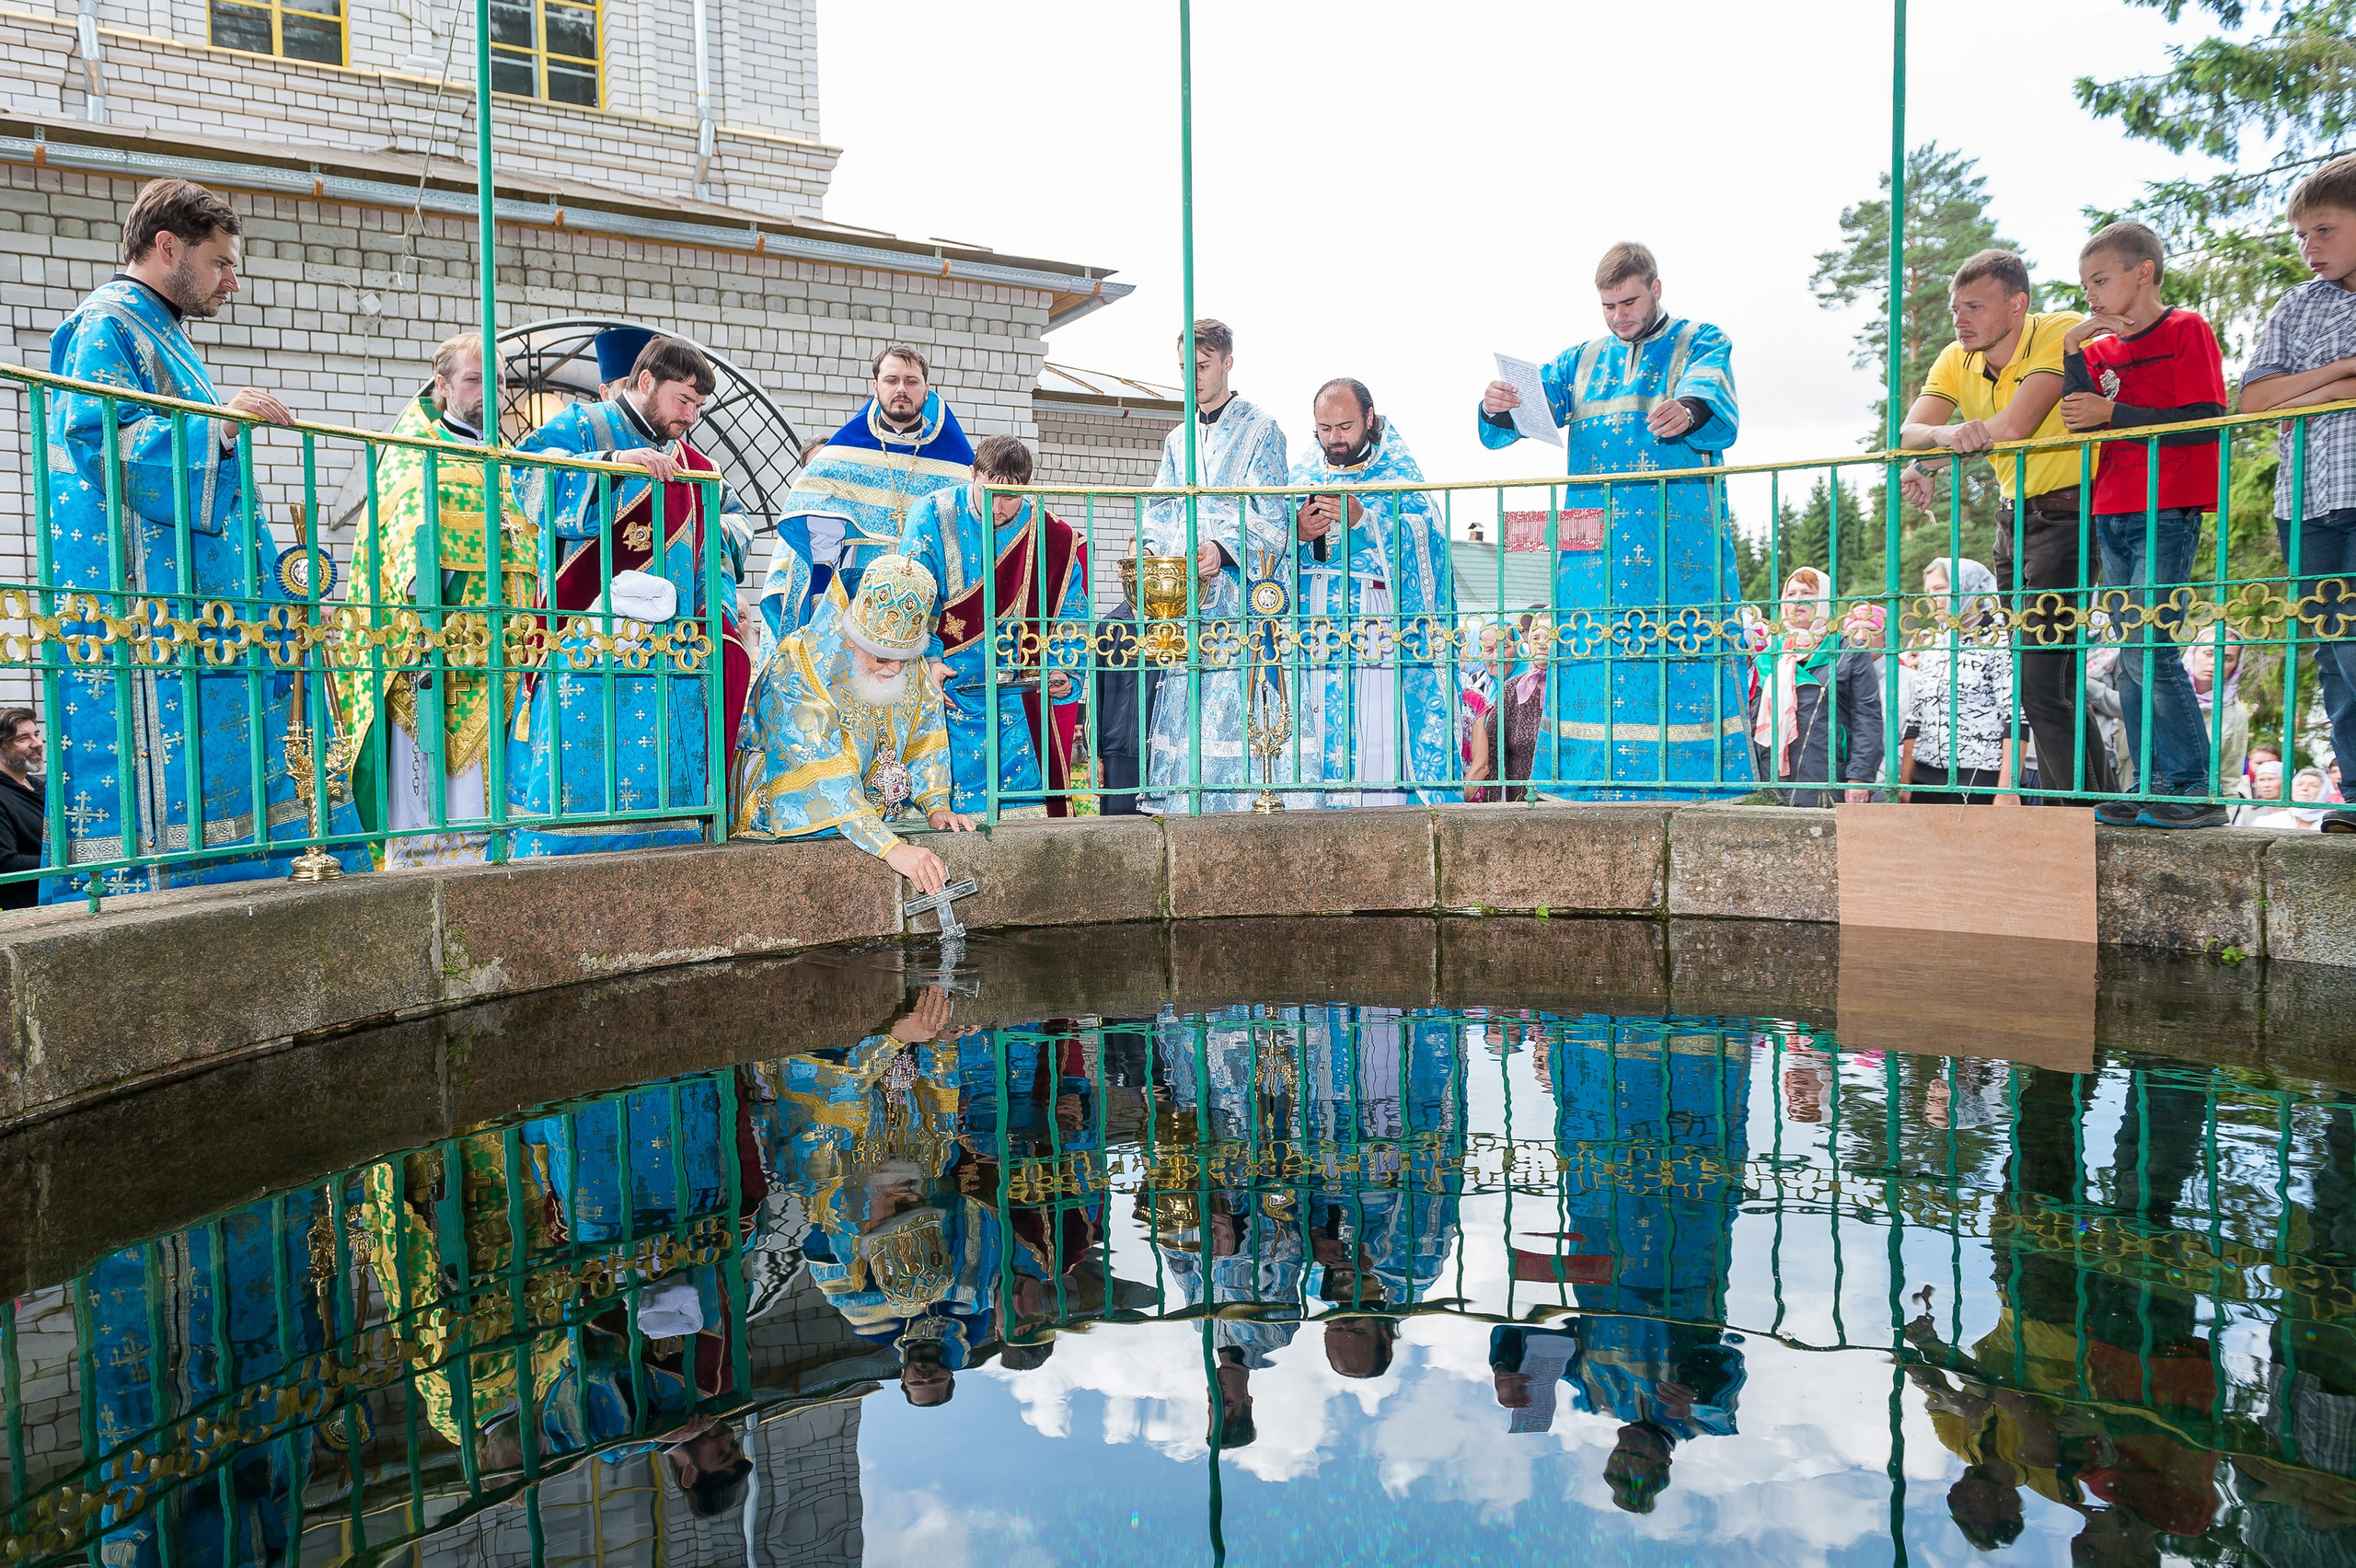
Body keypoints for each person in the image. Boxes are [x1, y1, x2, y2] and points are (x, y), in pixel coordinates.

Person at [44, 177, 366, 901]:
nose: (232, 281)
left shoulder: (157, 329)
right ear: (167, 247)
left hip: (203, 608)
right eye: (220, 262)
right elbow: (97, 438)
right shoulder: (107, 323)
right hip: (155, 613)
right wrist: (218, 425)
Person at [1477, 242, 1751, 799]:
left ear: (1656, 288)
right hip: (1594, 550)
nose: (1619, 316)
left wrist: (1690, 410)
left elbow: (1710, 398)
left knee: (1676, 650)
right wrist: (1496, 405)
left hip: (1674, 541)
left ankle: (1689, 787)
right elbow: (1528, 412)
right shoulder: (1580, 360)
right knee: (1592, 659)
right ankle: (1587, 785)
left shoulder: (1698, 340)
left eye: (1629, 302)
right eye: (1608, 306)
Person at [506, 336, 755, 856]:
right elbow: (527, 473)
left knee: (662, 772)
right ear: (646, 382)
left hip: (670, 649)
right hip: (587, 642)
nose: (690, 416)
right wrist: (614, 462)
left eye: (698, 406)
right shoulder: (586, 425)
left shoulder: (695, 463)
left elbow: (731, 526)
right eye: (682, 401)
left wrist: (716, 564)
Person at [1900, 248, 2113, 804]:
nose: (1960, 319)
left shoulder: (2058, 330)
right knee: (2039, 677)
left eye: (1974, 307)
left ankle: (2082, 810)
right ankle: (2094, 806)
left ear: (2018, 304)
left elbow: (2016, 425)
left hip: (2072, 513)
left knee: (2045, 678)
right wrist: (1943, 442)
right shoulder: (1955, 357)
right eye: (1955, 309)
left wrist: (1938, 449)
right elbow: (1910, 432)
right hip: (2014, 519)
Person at [330, 332, 539, 868]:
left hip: (509, 652)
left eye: (498, 381)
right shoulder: (414, 453)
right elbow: (404, 538)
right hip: (438, 651)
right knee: (437, 793)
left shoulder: (512, 463)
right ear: (443, 387)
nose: (490, 392)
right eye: (474, 380)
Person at [2059, 222, 2232, 828]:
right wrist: (2072, 350)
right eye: (2085, 285)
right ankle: (2151, 781)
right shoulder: (2099, 349)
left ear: (2144, 272)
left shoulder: (2186, 328)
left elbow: (2205, 417)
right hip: (2111, 505)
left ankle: (2193, 786)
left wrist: (2115, 411)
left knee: (2150, 645)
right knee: (2128, 653)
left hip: (2168, 502)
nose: (2091, 295)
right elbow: (2078, 417)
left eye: (2100, 280)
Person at [729, 553, 976, 892]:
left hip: (871, 809)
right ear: (851, 638)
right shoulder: (798, 661)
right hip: (785, 805)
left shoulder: (907, 660)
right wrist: (890, 848)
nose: (895, 669)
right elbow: (819, 767)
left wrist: (936, 806)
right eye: (884, 657)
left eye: (905, 657)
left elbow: (925, 731)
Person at [2240, 153, 2356, 834]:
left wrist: (2303, 392)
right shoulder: (2299, 305)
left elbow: (2280, 395)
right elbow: (2254, 399)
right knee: (2334, 651)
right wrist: (2342, 375)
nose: (2311, 247)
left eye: (2325, 230)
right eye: (2302, 235)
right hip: (2307, 502)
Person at [1141, 319, 1293, 813]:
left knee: (1235, 708)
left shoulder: (1262, 430)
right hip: (1188, 601)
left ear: (1228, 363)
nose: (1193, 378)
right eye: (1185, 368)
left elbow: (1273, 515)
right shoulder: (1177, 438)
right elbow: (1160, 508)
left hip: (1239, 601)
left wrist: (1223, 549)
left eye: (1203, 366)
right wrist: (1151, 550)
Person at [895, 434, 1089, 817]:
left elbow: (1071, 614)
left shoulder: (1051, 535)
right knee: (945, 814)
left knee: (1021, 819)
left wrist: (1064, 669)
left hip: (1017, 701)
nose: (998, 508)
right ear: (973, 473)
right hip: (946, 691)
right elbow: (911, 597)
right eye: (990, 492)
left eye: (1010, 497)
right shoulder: (931, 515)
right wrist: (928, 662)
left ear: (1027, 488)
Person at [1288, 378, 1459, 805]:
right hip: (1310, 628)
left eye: (1345, 427)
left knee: (1373, 733)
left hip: (1373, 625)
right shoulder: (1301, 475)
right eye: (1324, 428)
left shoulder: (1398, 472)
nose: (1335, 438)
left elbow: (1428, 540)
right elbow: (1267, 539)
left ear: (1369, 418)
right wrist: (1297, 531)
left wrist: (1365, 521)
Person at [760, 345, 975, 645]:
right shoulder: (843, 453)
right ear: (875, 387)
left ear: (927, 389)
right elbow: (822, 541)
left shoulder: (955, 464)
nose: (901, 389)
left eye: (911, 381)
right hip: (858, 601)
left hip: (928, 603)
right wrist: (820, 603)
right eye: (891, 380)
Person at [1750, 567, 1884, 806]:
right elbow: (1753, 718)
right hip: (1770, 774)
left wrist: (1860, 776)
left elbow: (1867, 717)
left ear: (1824, 599)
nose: (1797, 600)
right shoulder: (1771, 654)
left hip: (1828, 773)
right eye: (1791, 594)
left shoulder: (1847, 651)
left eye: (1807, 593)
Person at [1900, 558, 2018, 804]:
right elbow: (1916, 718)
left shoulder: (1998, 641)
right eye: (1928, 591)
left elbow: (2015, 719)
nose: (1933, 598)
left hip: (1980, 778)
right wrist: (1906, 780)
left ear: (1968, 587)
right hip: (1926, 778)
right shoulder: (1934, 645)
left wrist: (2007, 789)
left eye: (1940, 588)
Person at [0, 709, 43, 910]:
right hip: (31, 911)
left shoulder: (36, 785)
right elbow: (6, 863)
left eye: (36, 734)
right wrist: (67, 861)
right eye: (23, 738)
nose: (37, 743)